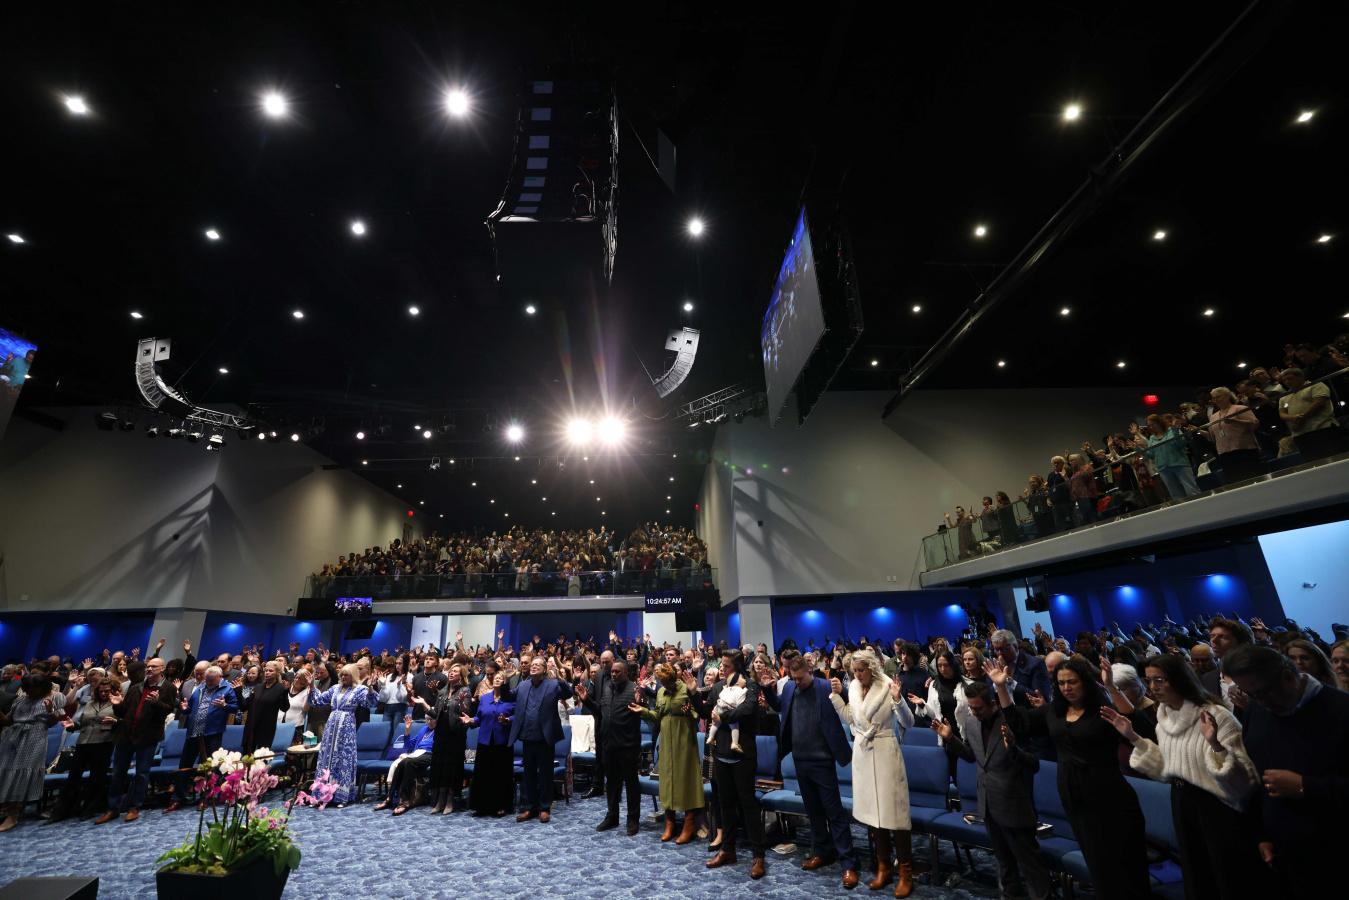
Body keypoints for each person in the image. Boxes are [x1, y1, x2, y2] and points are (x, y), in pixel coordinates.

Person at [1100, 653, 1273, 900]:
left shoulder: (1215, 714)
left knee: (1227, 879)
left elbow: (1246, 779)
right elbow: (1168, 767)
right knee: (1199, 875)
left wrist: (1215, 744)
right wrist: (1133, 737)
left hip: (1216, 807)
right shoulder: (1164, 715)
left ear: (1180, 679)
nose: (1153, 687)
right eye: (1149, 680)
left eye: (1160, 680)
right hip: (1184, 802)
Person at [987, 655, 1149, 900]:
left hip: (1110, 797)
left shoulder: (1102, 710)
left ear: (1085, 682)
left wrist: (1111, 687)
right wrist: (1001, 687)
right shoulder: (1055, 711)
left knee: (1123, 861)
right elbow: (1020, 724)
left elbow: (1139, 727)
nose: (1066, 688)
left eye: (1072, 682)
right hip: (1075, 796)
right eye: (1061, 683)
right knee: (1097, 864)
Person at [1221, 643, 1349, 891]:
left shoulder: (1341, 710)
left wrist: (1305, 787)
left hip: (1337, 852)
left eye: (1264, 692)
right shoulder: (1256, 710)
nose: (1260, 702)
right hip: (1286, 852)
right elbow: (1260, 778)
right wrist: (1262, 835)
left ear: (1289, 677)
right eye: (1251, 695)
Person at [934, 681, 1051, 900]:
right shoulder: (971, 721)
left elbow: (1034, 764)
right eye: (971, 707)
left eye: (978, 708)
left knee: (1030, 863)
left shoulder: (1012, 721)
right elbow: (972, 756)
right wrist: (950, 739)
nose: (973, 712)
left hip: (1014, 803)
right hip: (988, 803)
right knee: (1003, 861)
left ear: (992, 703)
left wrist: (1013, 750)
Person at [761, 655, 860, 889]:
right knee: (813, 811)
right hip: (800, 759)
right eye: (793, 678)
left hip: (823, 760)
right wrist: (766, 689)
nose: (797, 682)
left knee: (834, 812)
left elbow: (852, 705)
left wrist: (844, 690)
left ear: (810, 671)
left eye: (800, 678)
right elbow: (779, 706)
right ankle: (823, 852)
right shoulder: (789, 688)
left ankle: (849, 863)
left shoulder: (826, 686)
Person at [828, 648, 914, 896]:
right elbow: (851, 719)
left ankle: (905, 871)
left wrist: (898, 699)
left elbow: (908, 722)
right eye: (854, 671)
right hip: (863, 754)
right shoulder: (854, 688)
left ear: (871, 668)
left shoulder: (888, 685)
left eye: (860, 670)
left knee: (895, 813)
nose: (856, 675)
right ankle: (883, 867)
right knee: (874, 814)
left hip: (886, 750)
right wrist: (837, 697)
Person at [690, 648, 767, 879]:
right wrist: (693, 694)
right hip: (721, 753)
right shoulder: (717, 687)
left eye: (726, 665)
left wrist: (722, 718)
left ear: (738, 667)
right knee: (725, 803)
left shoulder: (750, 686)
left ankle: (758, 856)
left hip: (742, 755)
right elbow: (706, 712)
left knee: (748, 804)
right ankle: (728, 850)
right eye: (721, 664)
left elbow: (747, 710)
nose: (721, 668)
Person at [97, 657, 178, 824]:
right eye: (148, 666)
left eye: (154, 667)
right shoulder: (136, 687)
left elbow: (168, 710)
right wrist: (117, 704)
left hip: (147, 737)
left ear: (162, 669)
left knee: (141, 774)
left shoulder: (168, 687)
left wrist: (156, 702)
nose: (149, 669)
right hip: (126, 735)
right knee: (118, 774)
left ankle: (134, 807)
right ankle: (113, 809)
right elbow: (123, 712)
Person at [632, 662, 704, 844]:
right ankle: (670, 823)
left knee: (686, 778)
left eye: (668, 683)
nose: (666, 686)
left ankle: (689, 824)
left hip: (684, 737)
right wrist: (642, 710)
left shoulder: (686, 689)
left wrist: (689, 713)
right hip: (666, 738)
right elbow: (658, 716)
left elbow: (698, 716)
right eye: (663, 683)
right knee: (667, 780)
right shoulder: (661, 692)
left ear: (674, 679)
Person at [578, 659, 642, 835]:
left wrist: (641, 704)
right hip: (608, 744)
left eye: (617, 672)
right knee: (612, 783)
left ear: (626, 673)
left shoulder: (634, 690)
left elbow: (641, 714)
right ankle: (612, 817)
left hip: (628, 745)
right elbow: (600, 711)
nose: (613, 674)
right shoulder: (607, 688)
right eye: (612, 672)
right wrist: (587, 700)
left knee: (631, 784)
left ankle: (632, 820)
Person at [506, 656, 573, 823]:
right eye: (533, 664)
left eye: (537, 665)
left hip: (545, 737)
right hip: (527, 736)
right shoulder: (523, 685)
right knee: (528, 775)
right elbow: (507, 697)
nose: (534, 666)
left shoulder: (552, 684)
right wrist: (506, 679)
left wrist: (560, 679)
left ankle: (544, 808)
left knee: (545, 774)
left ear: (544, 669)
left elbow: (568, 694)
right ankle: (530, 807)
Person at [165, 665, 238, 813]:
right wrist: (185, 708)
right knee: (184, 766)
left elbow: (235, 708)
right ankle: (178, 799)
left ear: (220, 677)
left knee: (210, 767)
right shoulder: (200, 689)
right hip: (193, 732)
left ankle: (206, 798)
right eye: (207, 679)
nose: (208, 683)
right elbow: (189, 708)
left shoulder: (227, 689)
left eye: (212, 680)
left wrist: (224, 705)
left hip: (212, 734)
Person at [307, 664, 379, 807]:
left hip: (347, 726)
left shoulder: (360, 689)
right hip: (331, 726)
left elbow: (370, 703)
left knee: (343, 759)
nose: (343, 677)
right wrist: (312, 686)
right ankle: (321, 795)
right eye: (342, 674)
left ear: (353, 675)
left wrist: (371, 688)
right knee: (326, 758)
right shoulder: (335, 688)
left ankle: (341, 796)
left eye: (346, 675)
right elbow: (318, 701)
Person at [48, 678, 118, 823]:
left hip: (103, 743)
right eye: (101, 691)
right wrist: (72, 725)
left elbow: (125, 722)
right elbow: (81, 723)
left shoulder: (118, 705)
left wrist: (116, 722)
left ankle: (89, 809)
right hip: (83, 742)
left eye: (107, 691)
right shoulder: (91, 703)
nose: (103, 693)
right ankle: (62, 811)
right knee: (73, 777)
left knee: (96, 778)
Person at [0, 674, 64, 832]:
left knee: (22, 773)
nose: (28, 693)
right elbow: (9, 721)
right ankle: (5, 806)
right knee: (5, 770)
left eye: (31, 690)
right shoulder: (23, 697)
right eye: (26, 689)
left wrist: (50, 712)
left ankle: (14, 814)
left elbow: (53, 723)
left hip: (34, 737)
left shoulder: (56, 697)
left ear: (42, 687)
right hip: (13, 736)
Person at [422, 663, 473, 814]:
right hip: (441, 733)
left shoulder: (465, 690)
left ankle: (450, 800)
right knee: (440, 766)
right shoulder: (443, 691)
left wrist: (461, 704)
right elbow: (435, 713)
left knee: (452, 767)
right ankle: (440, 800)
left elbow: (466, 711)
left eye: (455, 671)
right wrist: (425, 705)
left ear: (461, 676)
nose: (451, 673)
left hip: (455, 733)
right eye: (451, 671)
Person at [1185, 386, 1264, 482]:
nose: (1216, 400)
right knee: (1237, 481)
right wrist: (1198, 430)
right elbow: (1212, 437)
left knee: (1254, 478)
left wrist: (1235, 421)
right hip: (1225, 454)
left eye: (1218, 397)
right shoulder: (1213, 417)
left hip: (1244, 450)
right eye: (1214, 398)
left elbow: (1255, 424)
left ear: (1228, 396)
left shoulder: (1239, 408)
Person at [466, 671, 516, 817]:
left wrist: (507, 720)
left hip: (502, 741)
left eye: (500, 678)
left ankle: (501, 805)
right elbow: (479, 717)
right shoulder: (485, 698)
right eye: (495, 678)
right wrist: (471, 720)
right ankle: (481, 806)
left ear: (505, 682)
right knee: (483, 774)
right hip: (485, 740)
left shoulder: (510, 698)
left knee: (500, 774)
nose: (497, 680)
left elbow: (517, 715)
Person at [377, 714, 436, 815]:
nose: (429, 722)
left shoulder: (441, 731)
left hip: (431, 755)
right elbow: (408, 746)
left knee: (408, 762)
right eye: (427, 719)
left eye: (431, 719)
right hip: (417, 754)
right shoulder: (423, 730)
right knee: (402, 762)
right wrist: (408, 731)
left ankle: (405, 800)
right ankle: (390, 797)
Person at [1130, 415, 1199, 498]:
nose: (1151, 427)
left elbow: (1181, 444)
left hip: (1180, 465)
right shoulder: (1152, 438)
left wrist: (1175, 431)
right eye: (1149, 426)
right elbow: (1151, 455)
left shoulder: (1172, 430)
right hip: (1163, 469)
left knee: (1192, 490)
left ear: (1159, 422)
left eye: (1153, 424)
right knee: (1176, 496)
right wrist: (1137, 448)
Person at [241, 660, 291, 754]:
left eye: (271, 671)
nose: (267, 673)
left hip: (266, 729)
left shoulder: (281, 688)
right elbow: (245, 707)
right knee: (247, 757)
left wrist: (285, 692)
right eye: (266, 670)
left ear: (278, 673)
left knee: (262, 758)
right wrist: (238, 691)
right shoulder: (257, 687)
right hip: (251, 727)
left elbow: (284, 708)